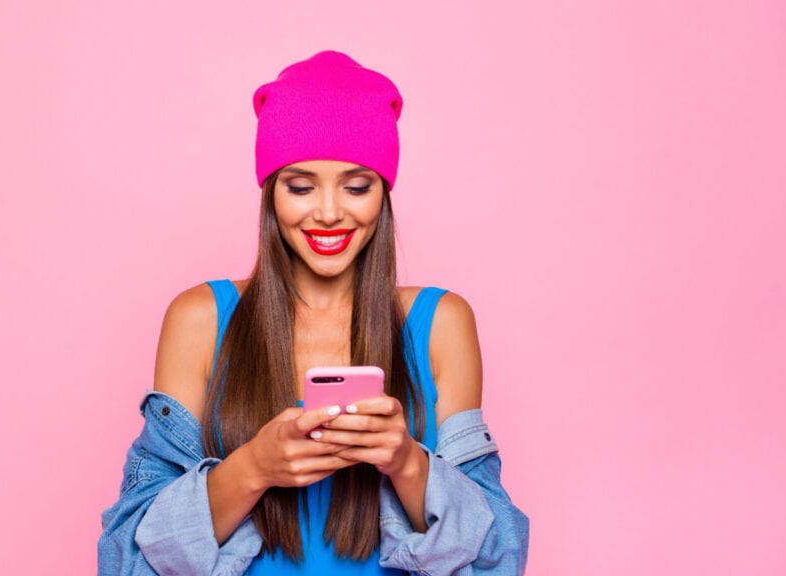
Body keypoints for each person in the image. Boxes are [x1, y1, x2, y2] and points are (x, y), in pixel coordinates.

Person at [98, 50, 529, 575]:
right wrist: (254, 468)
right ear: (271, 193)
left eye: (357, 186)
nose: (328, 212)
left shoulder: (439, 322)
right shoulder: (203, 318)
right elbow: (129, 557)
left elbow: (496, 554)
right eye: (300, 186)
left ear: (384, 194)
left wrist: (405, 462)